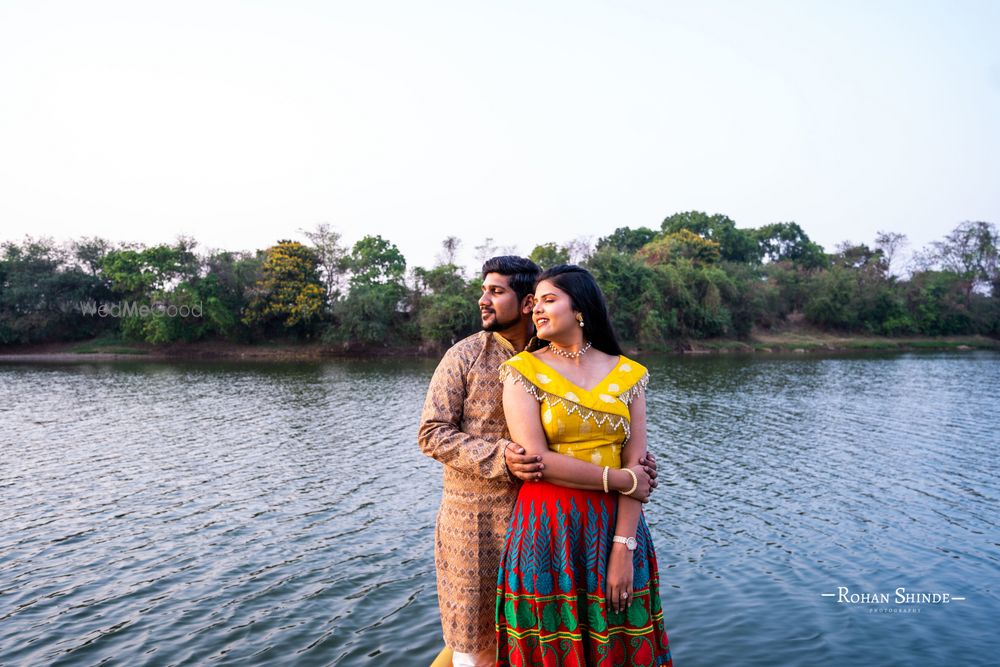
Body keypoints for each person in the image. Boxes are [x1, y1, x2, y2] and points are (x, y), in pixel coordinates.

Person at [419, 257, 659, 667]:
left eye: (496, 291)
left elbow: (617, 440)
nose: (484, 300)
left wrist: (633, 478)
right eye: (484, 290)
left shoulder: (558, 351)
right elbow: (431, 432)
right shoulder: (467, 355)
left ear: (526, 301)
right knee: (476, 641)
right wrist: (501, 456)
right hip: (477, 522)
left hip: (559, 516)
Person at [495, 265, 673, 666]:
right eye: (533, 303)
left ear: (580, 308)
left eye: (548, 299)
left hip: (616, 527)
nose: (536, 310)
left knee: (622, 642)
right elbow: (536, 458)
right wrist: (618, 479)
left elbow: (639, 468)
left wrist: (623, 547)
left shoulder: (629, 374)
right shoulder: (522, 372)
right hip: (547, 529)